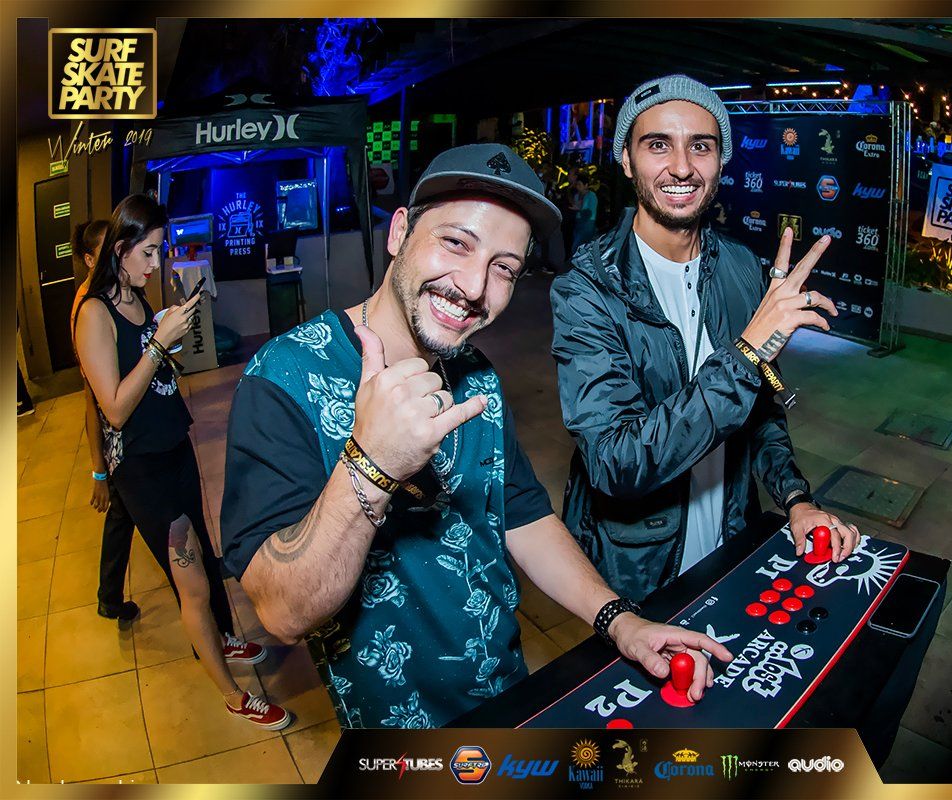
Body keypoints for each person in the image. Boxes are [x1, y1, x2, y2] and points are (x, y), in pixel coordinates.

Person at [219, 144, 733, 729]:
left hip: (506, 693)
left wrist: (621, 621)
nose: (472, 285)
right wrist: (371, 462)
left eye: (504, 268)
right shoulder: (284, 377)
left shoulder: (475, 373)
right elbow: (282, 611)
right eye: (456, 243)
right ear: (399, 233)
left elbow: (523, 516)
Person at [550, 74, 862, 602]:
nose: (681, 167)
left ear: (721, 160)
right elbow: (615, 461)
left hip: (729, 547)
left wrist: (795, 498)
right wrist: (746, 353)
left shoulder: (741, 268)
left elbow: (760, 409)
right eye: (657, 145)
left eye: (701, 146)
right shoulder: (587, 289)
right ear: (626, 160)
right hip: (636, 571)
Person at [73, 194, 291, 730]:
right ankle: (232, 695)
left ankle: (223, 638)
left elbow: (147, 373)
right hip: (142, 468)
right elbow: (113, 408)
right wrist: (157, 345)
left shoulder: (132, 295)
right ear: (119, 249)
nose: (156, 263)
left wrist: (160, 334)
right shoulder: (93, 312)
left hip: (172, 446)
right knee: (191, 585)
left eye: (159, 251)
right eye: (148, 252)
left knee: (204, 558)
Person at [70, 219, 140, 621]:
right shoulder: (89, 309)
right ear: (89, 258)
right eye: (108, 252)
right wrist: (98, 471)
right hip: (118, 441)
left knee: (123, 515)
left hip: (126, 436)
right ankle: (109, 597)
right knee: (124, 513)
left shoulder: (113, 293)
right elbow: (92, 401)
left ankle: (109, 597)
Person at [570, 175, 598, 253]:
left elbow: (590, 211)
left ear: (586, 185)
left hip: (588, 223)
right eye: (577, 184)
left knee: (578, 246)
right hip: (578, 222)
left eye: (580, 185)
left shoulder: (591, 196)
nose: (578, 187)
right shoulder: (577, 195)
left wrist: (579, 209)